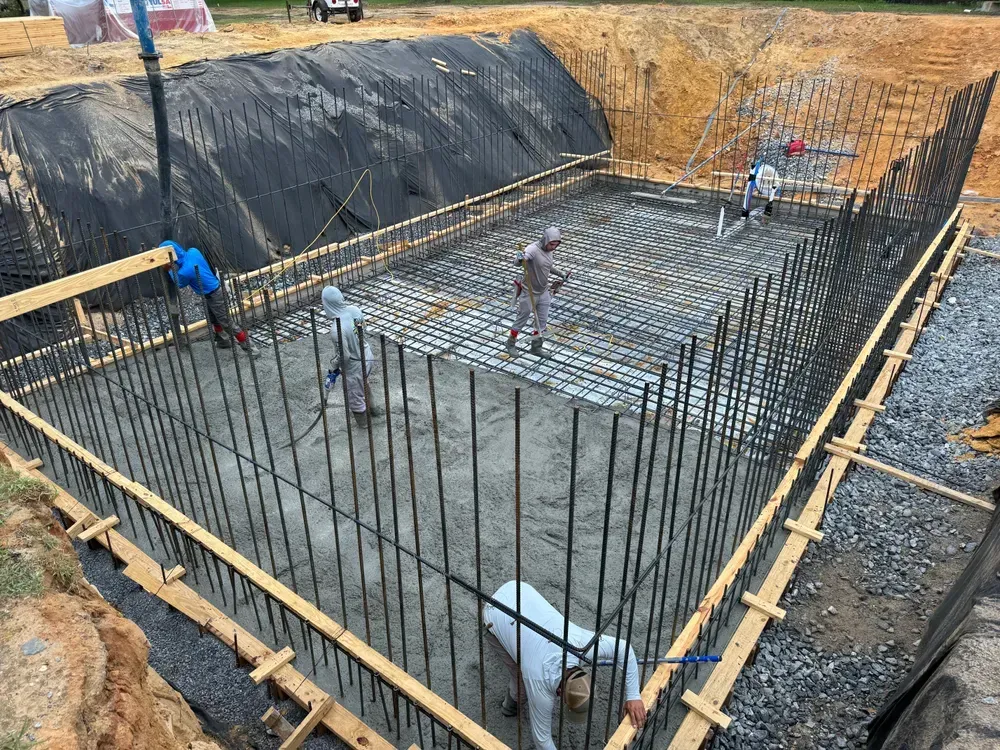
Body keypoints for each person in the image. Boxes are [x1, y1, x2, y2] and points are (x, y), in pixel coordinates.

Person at [483, 581, 646, 750]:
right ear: (559, 693)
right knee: (521, 685)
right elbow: (542, 740)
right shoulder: (538, 682)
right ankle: (510, 707)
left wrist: (634, 695)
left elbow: (623, 648)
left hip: (519, 589)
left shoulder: (581, 644)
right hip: (494, 612)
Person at [160, 240, 259, 357]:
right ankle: (223, 340)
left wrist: (169, 269)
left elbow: (179, 283)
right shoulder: (193, 251)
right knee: (214, 318)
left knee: (227, 323)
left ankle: (250, 347)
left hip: (215, 295)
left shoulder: (185, 271)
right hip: (215, 291)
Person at [505, 227, 568, 359]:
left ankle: (536, 347)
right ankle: (510, 343)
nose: (553, 247)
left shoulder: (549, 251)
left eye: (556, 245)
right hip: (529, 292)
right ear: (545, 240)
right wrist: (520, 258)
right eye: (552, 244)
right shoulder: (532, 249)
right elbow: (518, 263)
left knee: (542, 321)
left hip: (543, 291)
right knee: (522, 319)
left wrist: (561, 274)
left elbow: (547, 266)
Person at [321, 286, 379, 427]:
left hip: (355, 367)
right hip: (367, 355)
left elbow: (345, 356)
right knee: (364, 382)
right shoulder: (355, 310)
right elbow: (363, 329)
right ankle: (375, 409)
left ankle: (364, 425)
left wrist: (334, 364)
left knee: (354, 397)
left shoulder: (336, 329)